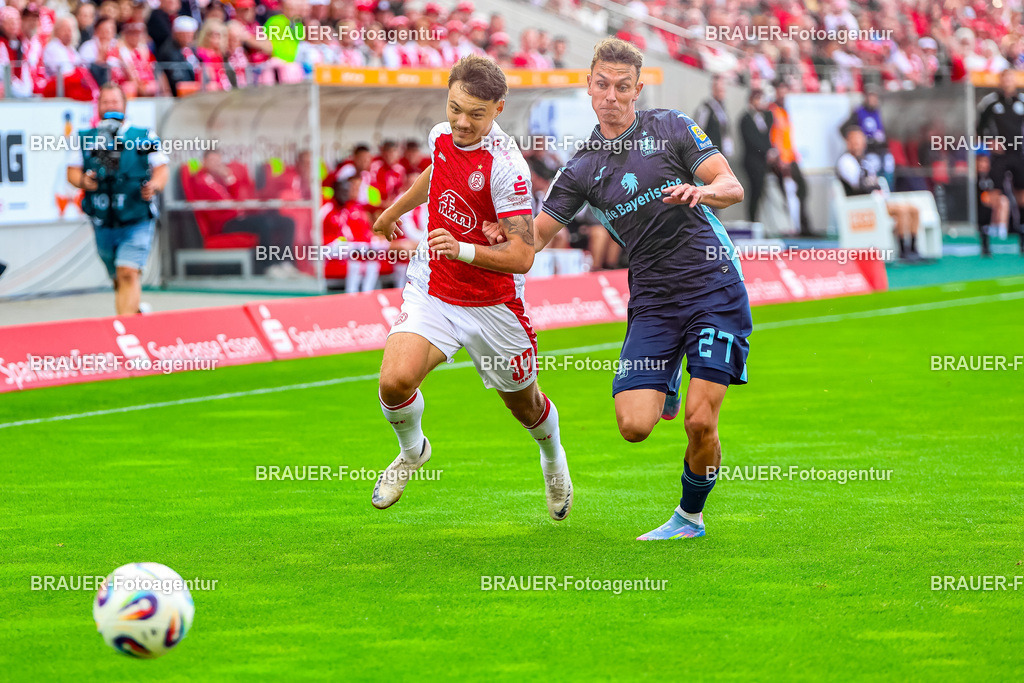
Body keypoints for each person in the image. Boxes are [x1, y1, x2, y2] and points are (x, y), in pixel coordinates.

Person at [523, 38, 750, 540]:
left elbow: (732, 187)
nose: (611, 95)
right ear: (588, 85)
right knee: (633, 427)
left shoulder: (669, 128)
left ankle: (690, 517)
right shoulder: (581, 167)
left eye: (622, 87)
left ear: (637, 89)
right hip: (653, 300)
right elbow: (534, 238)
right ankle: (664, 379)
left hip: (713, 286)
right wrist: (484, 240)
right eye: (602, 84)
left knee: (699, 422)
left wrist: (702, 190)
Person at [369, 55, 573, 521]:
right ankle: (413, 451)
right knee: (393, 382)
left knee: (526, 407)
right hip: (434, 290)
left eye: (475, 114)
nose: (461, 122)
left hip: (493, 306)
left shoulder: (507, 168)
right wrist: (393, 211)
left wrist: (461, 248)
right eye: (455, 107)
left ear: (498, 109)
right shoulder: (442, 136)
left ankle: (552, 456)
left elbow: (523, 255)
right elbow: (436, 173)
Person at [66, 83, 169, 315]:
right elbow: (72, 172)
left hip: (137, 217)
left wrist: (154, 185)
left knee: (127, 272)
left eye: (115, 101)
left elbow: (161, 169)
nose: (111, 106)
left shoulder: (143, 135)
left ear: (124, 105)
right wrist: (83, 181)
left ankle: (127, 330)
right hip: (103, 220)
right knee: (117, 277)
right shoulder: (84, 138)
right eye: (106, 102)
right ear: (98, 106)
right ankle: (133, 312)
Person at [836, 124, 920, 260]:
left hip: (876, 201)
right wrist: (873, 186)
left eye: (860, 139)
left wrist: (873, 185)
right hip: (861, 204)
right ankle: (903, 249)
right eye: (854, 140)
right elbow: (860, 185)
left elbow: (874, 182)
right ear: (848, 142)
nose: (858, 143)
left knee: (913, 209)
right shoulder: (845, 161)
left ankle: (914, 248)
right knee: (902, 210)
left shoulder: (865, 161)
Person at [977, 69, 1024, 253]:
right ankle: (985, 239)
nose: (1008, 81)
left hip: (1018, 154)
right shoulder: (990, 101)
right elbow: (979, 126)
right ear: (1000, 80)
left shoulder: (1021, 101)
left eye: (1011, 78)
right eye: (1004, 78)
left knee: (1021, 196)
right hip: (999, 156)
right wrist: (990, 142)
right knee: (992, 194)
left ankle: (1021, 237)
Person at [769, 79, 813, 235]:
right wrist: (779, 157)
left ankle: (803, 226)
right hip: (782, 159)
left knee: (802, 190)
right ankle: (790, 227)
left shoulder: (784, 111)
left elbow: (787, 136)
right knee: (787, 194)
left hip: (791, 157)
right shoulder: (772, 111)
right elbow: (774, 137)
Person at [842, 84, 894, 187]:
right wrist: (855, 141)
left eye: (874, 96)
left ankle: (888, 191)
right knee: (873, 166)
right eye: (870, 96)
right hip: (868, 150)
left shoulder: (880, 112)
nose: (872, 99)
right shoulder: (859, 112)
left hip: (881, 148)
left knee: (889, 164)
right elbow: (844, 129)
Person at [739, 87, 773, 223]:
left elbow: (767, 136)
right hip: (752, 161)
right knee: (754, 191)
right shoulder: (746, 118)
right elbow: (752, 140)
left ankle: (758, 221)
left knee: (760, 192)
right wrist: (767, 151)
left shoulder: (764, 117)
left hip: (762, 161)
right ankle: (752, 221)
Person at [976, 149, 1010, 257]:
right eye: (980, 161)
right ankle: (987, 237)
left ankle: (999, 229)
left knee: (1003, 201)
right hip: (978, 209)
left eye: (985, 161)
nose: (983, 164)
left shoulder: (992, 176)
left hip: (990, 207)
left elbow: (998, 192)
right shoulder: (972, 178)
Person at [694, 74, 734, 157]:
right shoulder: (706, 107)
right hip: (710, 154)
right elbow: (699, 129)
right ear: (713, 89)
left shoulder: (723, 109)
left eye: (723, 89)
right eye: (719, 89)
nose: (722, 92)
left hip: (721, 153)